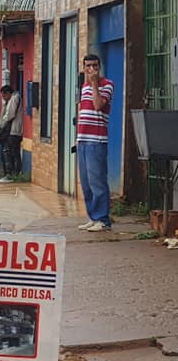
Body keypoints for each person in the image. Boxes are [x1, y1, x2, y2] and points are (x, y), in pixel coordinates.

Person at [76, 54, 114, 231]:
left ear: (100, 67)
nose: (91, 69)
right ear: (84, 68)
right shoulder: (83, 87)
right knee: (86, 182)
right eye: (88, 66)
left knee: (97, 181)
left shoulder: (107, 85)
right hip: (83, 139)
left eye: (94, 66)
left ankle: (103, 220)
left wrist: (94, 84)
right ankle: (93, 216)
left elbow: (98, 105)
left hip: (97, 141)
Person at [0, 85, 23, 183]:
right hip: (13, 131)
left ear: (7, 93)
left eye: (4, 96)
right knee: (12, 152)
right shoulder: (12, 99)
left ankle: (11, 174)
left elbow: (10, 115)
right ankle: (12, 174)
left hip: (14, 131)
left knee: (11, 152)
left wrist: (1, 125)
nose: (3, 98)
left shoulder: (14, 99)